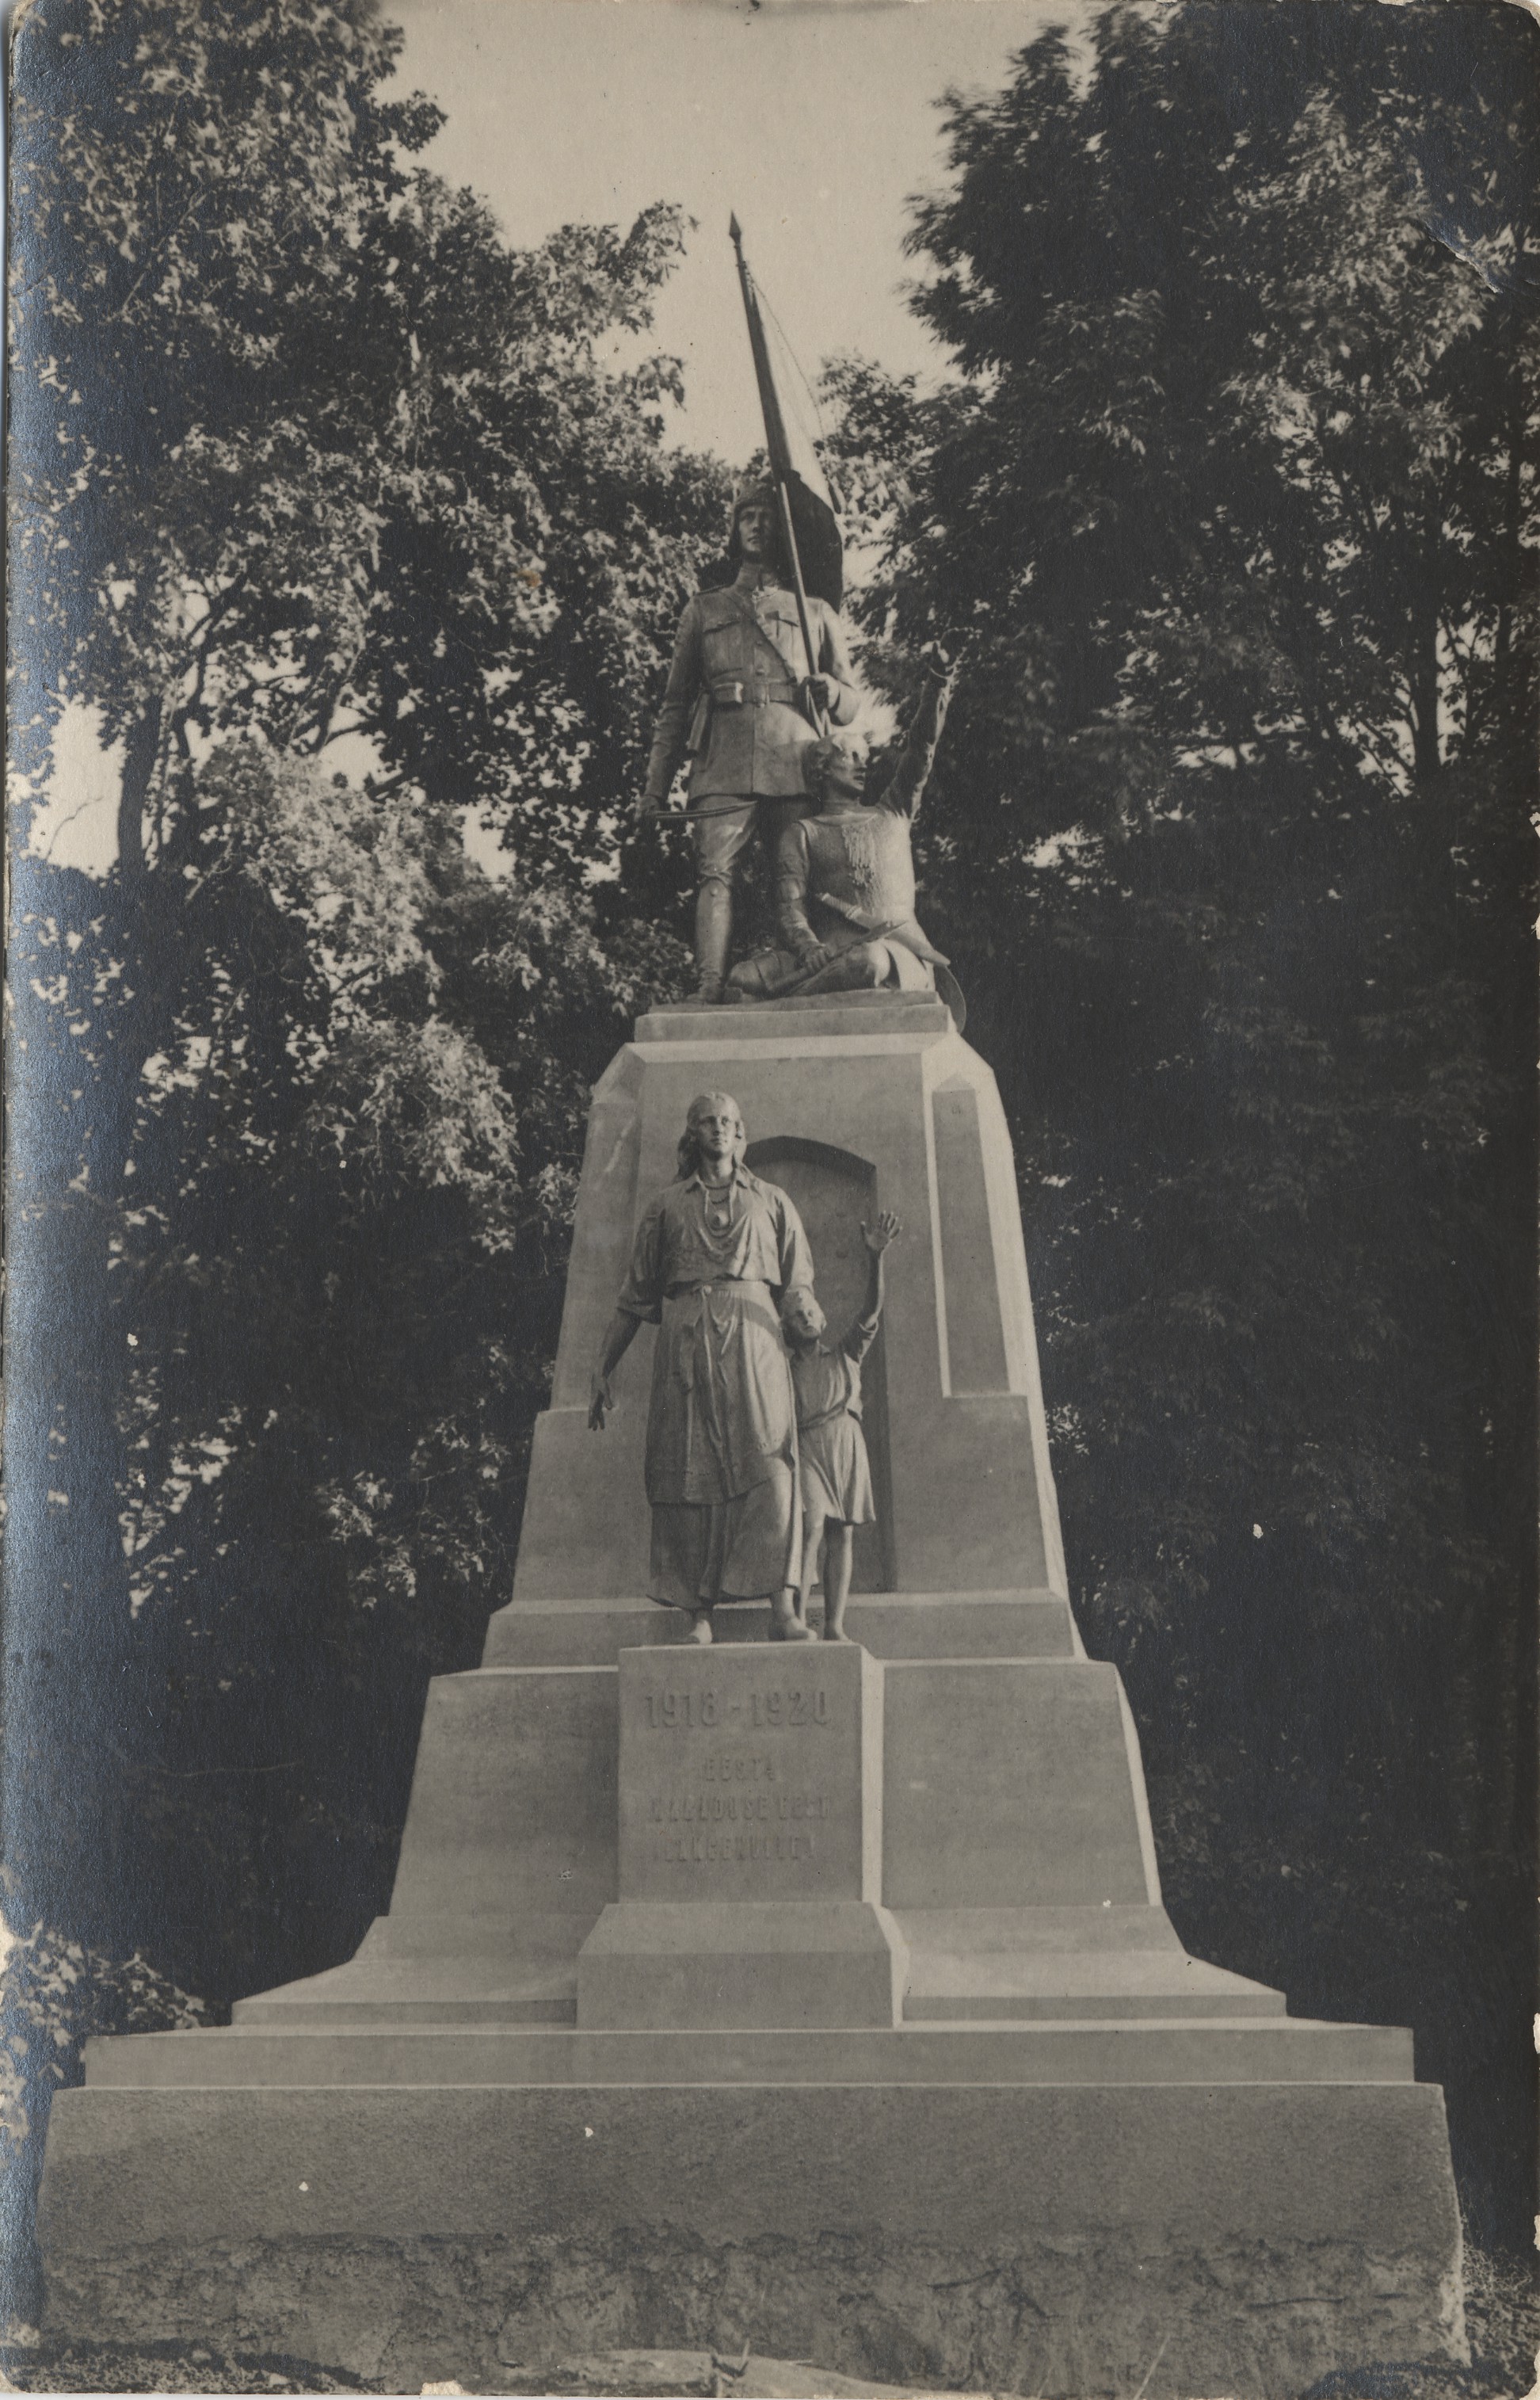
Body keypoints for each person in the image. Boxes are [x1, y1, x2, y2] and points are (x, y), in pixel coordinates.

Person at [588, 1091, 818, 1644]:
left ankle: (783, 1607)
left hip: (755, 1335)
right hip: (686, 1333)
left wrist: (805, 1313)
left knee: (772, 1463)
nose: (719, 1129)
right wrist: (602, 1366)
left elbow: (798, 1282)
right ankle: (698, 1613)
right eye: (708, 1122)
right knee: (686, 1469)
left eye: (729, 1122)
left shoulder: (772, 1200)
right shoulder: (665, 1206)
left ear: (741, 1135)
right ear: (693, 1133)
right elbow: (633, 1298)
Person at [638, 479, 861, 1005]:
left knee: (799, 881)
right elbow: (673, 707)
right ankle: (709, 985)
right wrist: (654, 788)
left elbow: (853, 704)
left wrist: (832, 691)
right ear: (734, 531)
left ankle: (808, 979)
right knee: (714, 872)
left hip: (796, 758)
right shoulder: (704, 610)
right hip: (724, 761)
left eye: (766, 517)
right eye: (747, 517)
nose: (757, 525)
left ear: (783, 532)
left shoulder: (816, 612)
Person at [728, 645, 960, 1009]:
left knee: (869, 963)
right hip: (827, 954)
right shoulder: (802, 833)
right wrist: (809, 947)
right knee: (743, 974)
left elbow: (922, 749)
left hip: (897, 954)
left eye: (864, 757)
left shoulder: (893, 812)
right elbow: (791, 907)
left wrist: (938, 683)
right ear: (822, 769)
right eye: (850, 756)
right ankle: (796, 990)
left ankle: (782, 1005)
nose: (862, 764)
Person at [783, 1211, 900, 1643]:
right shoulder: (785, 1371)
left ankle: (833, 1624)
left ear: (824, 1318)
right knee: (811, 1525)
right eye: (798, 1316)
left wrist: (876, 1259)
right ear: (788, 1329)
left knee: (842, 1534)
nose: (807, 1318)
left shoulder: (846, 1354)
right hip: (809, 1447)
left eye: (811, 1311)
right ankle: (794, 1617)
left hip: (847, 1445)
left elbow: (872, 1308)